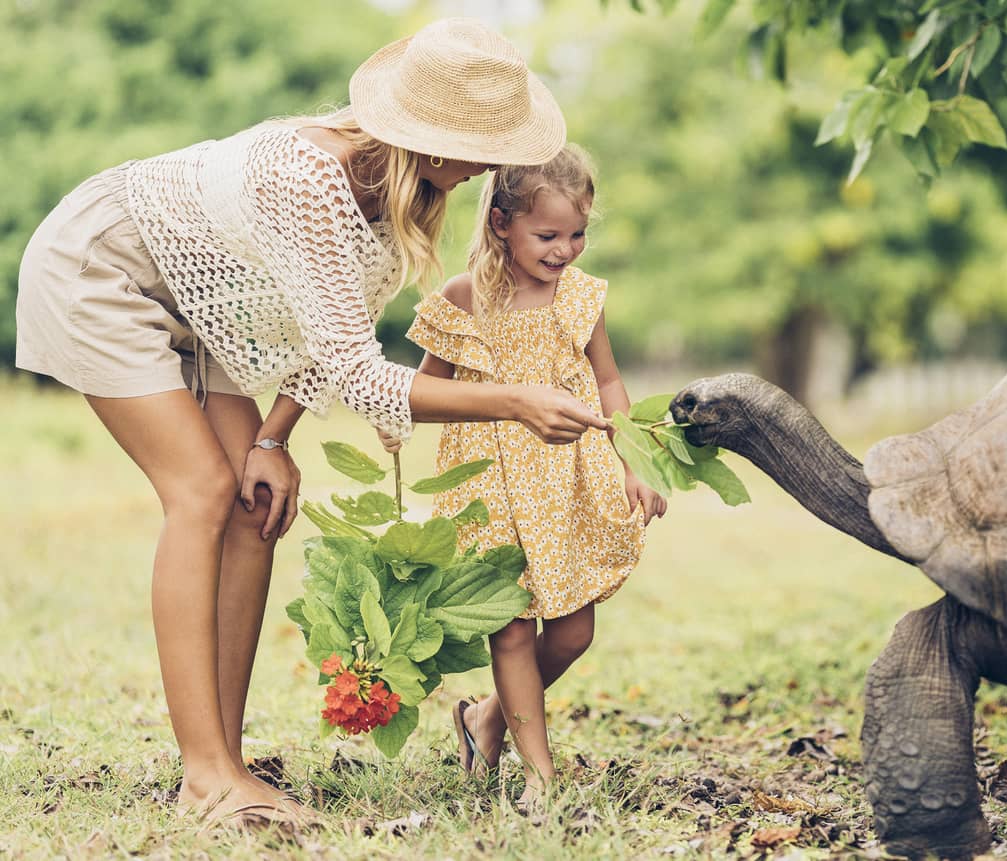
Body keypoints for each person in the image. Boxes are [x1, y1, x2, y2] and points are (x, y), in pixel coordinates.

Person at [11, 18, 610, 830]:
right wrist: (513, 397)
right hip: (106, 268)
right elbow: (364, 379)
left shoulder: (401, 198)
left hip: (205, 305)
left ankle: (223, 755)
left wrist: (273, 437)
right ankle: (206, 778)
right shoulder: (309, 176)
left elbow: (325, 341)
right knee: (201, 491)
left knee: (256, 510)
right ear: (429, 141)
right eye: (480, 151)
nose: (487, 172)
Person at [395, 144, 663, 808]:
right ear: (501, 225)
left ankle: (484, 717)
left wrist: (635, 461)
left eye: (578, 233)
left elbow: (608, 381)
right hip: (486, 483)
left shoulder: (580, 297)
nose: (565, 249)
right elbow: (422, 393)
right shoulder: (465, 299)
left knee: (572, 631)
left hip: (564, 482)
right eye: (548, 234)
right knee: (510, 626)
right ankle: (537, 773)